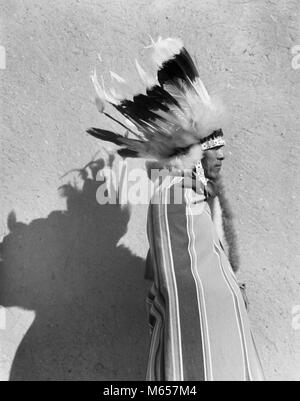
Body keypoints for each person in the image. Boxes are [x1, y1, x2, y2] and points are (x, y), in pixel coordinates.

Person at [87, 37, 264, 381]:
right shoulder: (173, 197)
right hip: (198, 329)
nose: (223, 156)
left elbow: (203, 259)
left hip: (216, 326)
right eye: (216, 149)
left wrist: (229, 287)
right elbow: (180, 275)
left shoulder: (193, 196)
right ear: (196, 154)